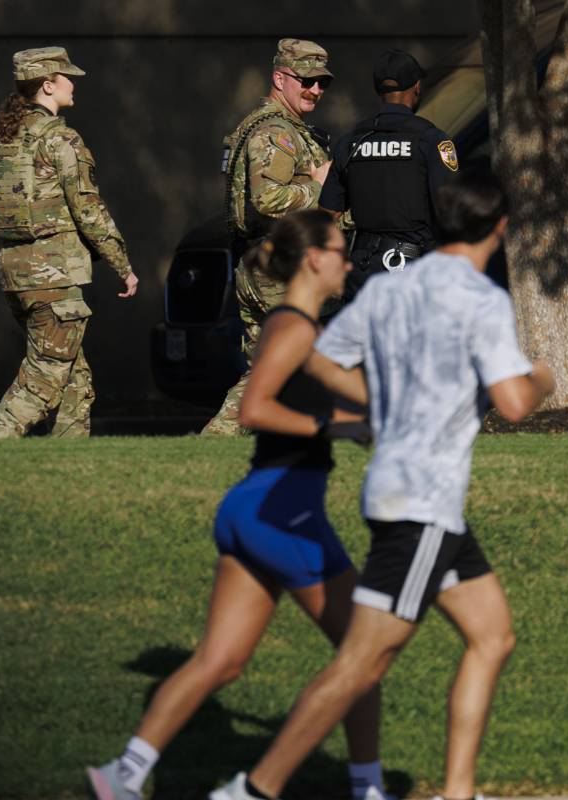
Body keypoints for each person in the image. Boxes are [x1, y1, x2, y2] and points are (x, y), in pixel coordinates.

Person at [209, 171, 552, 800]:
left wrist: (382, 403)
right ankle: (252, 790)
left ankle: (458, 791)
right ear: (499, 229)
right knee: (358, 664)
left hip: (421, 502)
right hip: (420, 504)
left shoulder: (393, 289)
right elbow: (514, 402)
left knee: (492, 635)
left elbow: (321, 357)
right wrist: (543, 379)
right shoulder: (481, 299)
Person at [85, 210, 388, 800]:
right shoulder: (297, 328)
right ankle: (363, 790)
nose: (348, 261)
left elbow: (342, 400)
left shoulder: (293, 326)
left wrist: (363, 416)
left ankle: (123, 776)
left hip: (250, 509)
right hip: (284, 512)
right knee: (364, 654)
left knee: (220, 662)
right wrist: (331, 426)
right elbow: (255, 409)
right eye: (339, 250)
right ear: (313, 259)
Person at [0, 46, 137, 439]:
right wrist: (123, 266)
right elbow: (88, 210)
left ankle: (65, 472)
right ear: (48, 85)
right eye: (68, 76)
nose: (73, 82)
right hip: (56, 276)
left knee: (75, 382)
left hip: (17, 277)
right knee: (44, 378)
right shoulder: (61, 140)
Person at [203, 38, 336, 436]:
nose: (315, 90)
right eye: (306, 80)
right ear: (280, 78)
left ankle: (217, 447)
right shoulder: (275, 132)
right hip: (279, 266)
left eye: (322, 82)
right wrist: (318, 187)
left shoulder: (285, 127)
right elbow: (267, 200)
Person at [321, 48, 460, 297]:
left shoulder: (350, 142)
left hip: (362, 273)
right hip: (414, 273)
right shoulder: (430, 140)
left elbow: (326, 216)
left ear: (378, 91)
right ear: (417, 87)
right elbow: (450, 211)